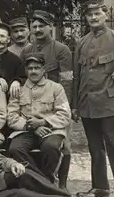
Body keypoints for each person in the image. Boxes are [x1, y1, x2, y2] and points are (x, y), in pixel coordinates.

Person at [72, 0, 114, 197]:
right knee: (95, 148)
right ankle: (100, 186)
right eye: (89, 14)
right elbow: (77, 76)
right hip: (87, 104)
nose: (93, 17)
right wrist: (75, 104)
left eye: (97, 13)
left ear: (106, 15)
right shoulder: (82, 42)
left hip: (110, 102)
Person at [7, 54, 71, 184]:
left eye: (37, 68)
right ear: (26, 71)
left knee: (51, 147)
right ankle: (40, 180)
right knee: (15, 148)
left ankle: (48, 179)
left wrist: (43, 122)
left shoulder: (56, 88)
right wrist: (31, 127)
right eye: (30, 68)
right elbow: (11, 116)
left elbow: (64, 115)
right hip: (26, 130)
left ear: (44, 70)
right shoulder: (18, 90)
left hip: (51, 130)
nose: (33, 71)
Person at [20, 10, 73, 100]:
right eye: (34, 27)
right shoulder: (26, 51)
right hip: (30, 100)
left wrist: (64, 104)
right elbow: (21, 78)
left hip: (53, 99)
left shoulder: (61, 50)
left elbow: (66, 81)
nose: (37, 30)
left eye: (41, 26)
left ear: (51, 26)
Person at [0, 23, 26, 99]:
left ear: (8, 39)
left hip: (10, 100)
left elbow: (23, 77)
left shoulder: (16, 60)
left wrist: (17, 81)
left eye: (2, 36)